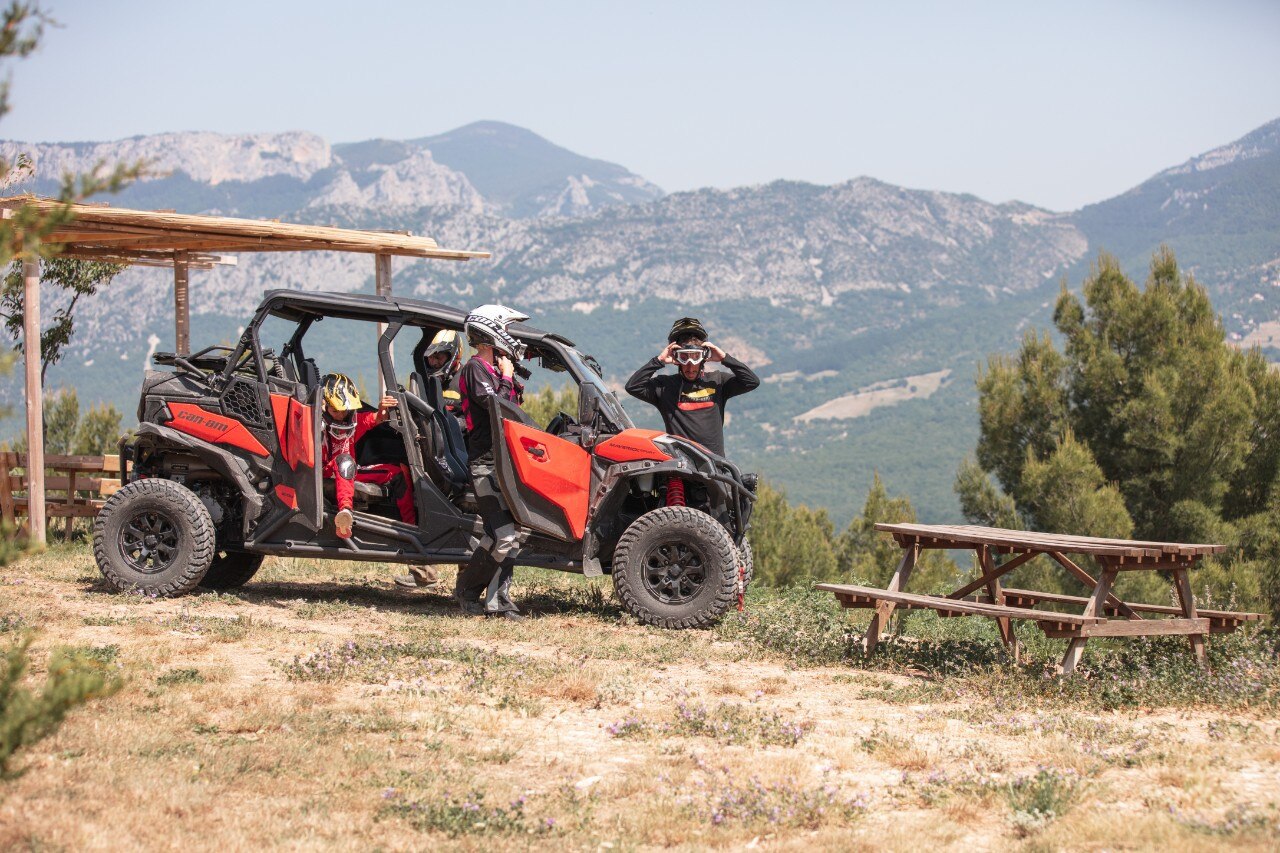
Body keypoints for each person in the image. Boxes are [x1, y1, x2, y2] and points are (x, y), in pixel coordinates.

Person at [452, 304, 529, 620]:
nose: (510, 337)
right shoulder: (475, 370)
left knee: (510, 536)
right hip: (484, 464)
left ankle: (498, 602)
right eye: (506, 329)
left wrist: (509, 375)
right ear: (491, 333)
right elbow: (496, 408)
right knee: (503, 535)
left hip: (501, 463)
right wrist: (508, 378)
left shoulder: (495, 371)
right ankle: (467, 592)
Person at [624, 317, 760, 458]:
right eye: (684, 357)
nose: (690, 365)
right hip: (681, 466)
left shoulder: (718, 381)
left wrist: (724, 358)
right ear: (677, 359)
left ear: (704, 357)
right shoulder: (664, 386)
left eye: (695, 357)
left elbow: (751, 381)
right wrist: (658, 361)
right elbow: (633, 386)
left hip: (715, 466)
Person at [320, 373, 414, 538]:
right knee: (345, 460)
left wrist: (384, 408)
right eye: (335, 411)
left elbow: (376, 419)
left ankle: (411, 528)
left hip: (350, 472)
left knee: (399, 472)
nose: (341, 416)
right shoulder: (314, 426)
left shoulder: (354, 422)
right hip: (325, 472)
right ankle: (345, 514)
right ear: (323, 406)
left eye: (344, 411)